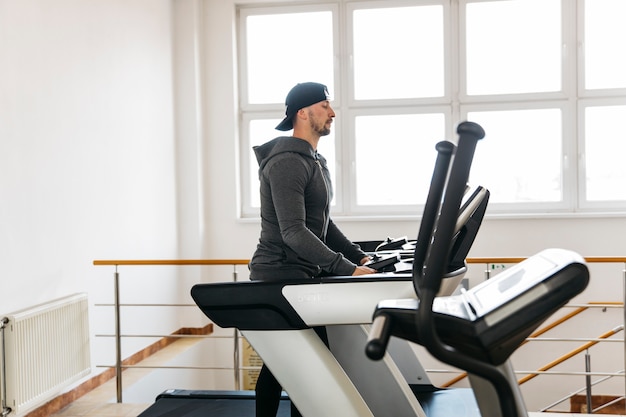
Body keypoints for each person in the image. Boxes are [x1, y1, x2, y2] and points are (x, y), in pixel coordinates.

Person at [249, 82, 376, 417]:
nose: (332, 113)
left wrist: (358, 257)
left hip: (300, 274)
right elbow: (294, 232)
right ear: (302, 113)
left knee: (285, 365)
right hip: (278, 276)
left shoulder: (314, 160)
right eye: (324, 106)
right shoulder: (288, 162)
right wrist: (345, 268)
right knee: (300, 366)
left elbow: (324, 224)